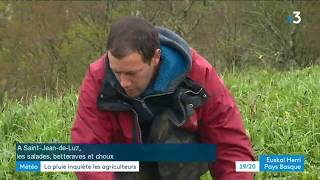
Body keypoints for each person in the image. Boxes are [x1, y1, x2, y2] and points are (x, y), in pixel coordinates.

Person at [72, 16, 254, 180]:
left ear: (156, 57)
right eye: (116, 72)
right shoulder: (98, 78)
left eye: (131, 73)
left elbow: (230, 146)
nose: (123, 82)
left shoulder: (198, 74)